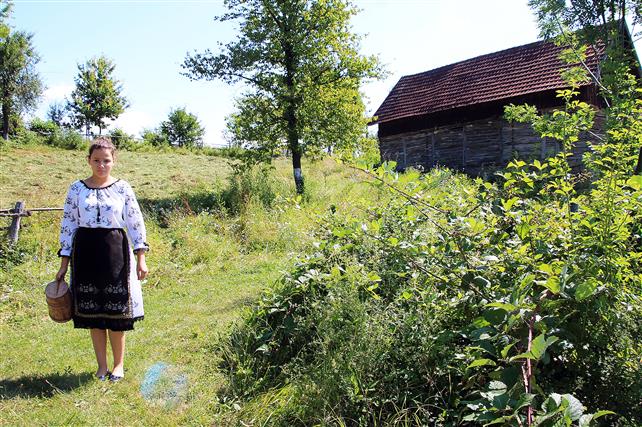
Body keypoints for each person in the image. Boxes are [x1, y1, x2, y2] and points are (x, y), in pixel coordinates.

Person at [55, 137, 149, 382]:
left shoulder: (122, 188)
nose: (101, 165)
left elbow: (135, 221)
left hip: (115, 252)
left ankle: (118, 366)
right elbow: (68, 225)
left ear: (113, 160)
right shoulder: (76, 189)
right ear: (88, 160)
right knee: (94, 314)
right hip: (85, 253)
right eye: (96, 160)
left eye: (106, 160)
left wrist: (141, 257)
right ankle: (101, 366)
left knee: (116, 312)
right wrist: (64, 263)